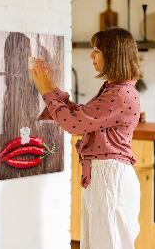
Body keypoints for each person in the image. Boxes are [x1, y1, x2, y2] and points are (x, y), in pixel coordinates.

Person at [29, 27, 142, 249]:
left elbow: (73, 124)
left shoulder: (119, 94)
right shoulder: (115, 89)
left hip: (110, 178)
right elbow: (81, 116)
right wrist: (51, 87)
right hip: (104, 176)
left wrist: (45, 91)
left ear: (113, 54)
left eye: (97, 50)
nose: (91, 55)